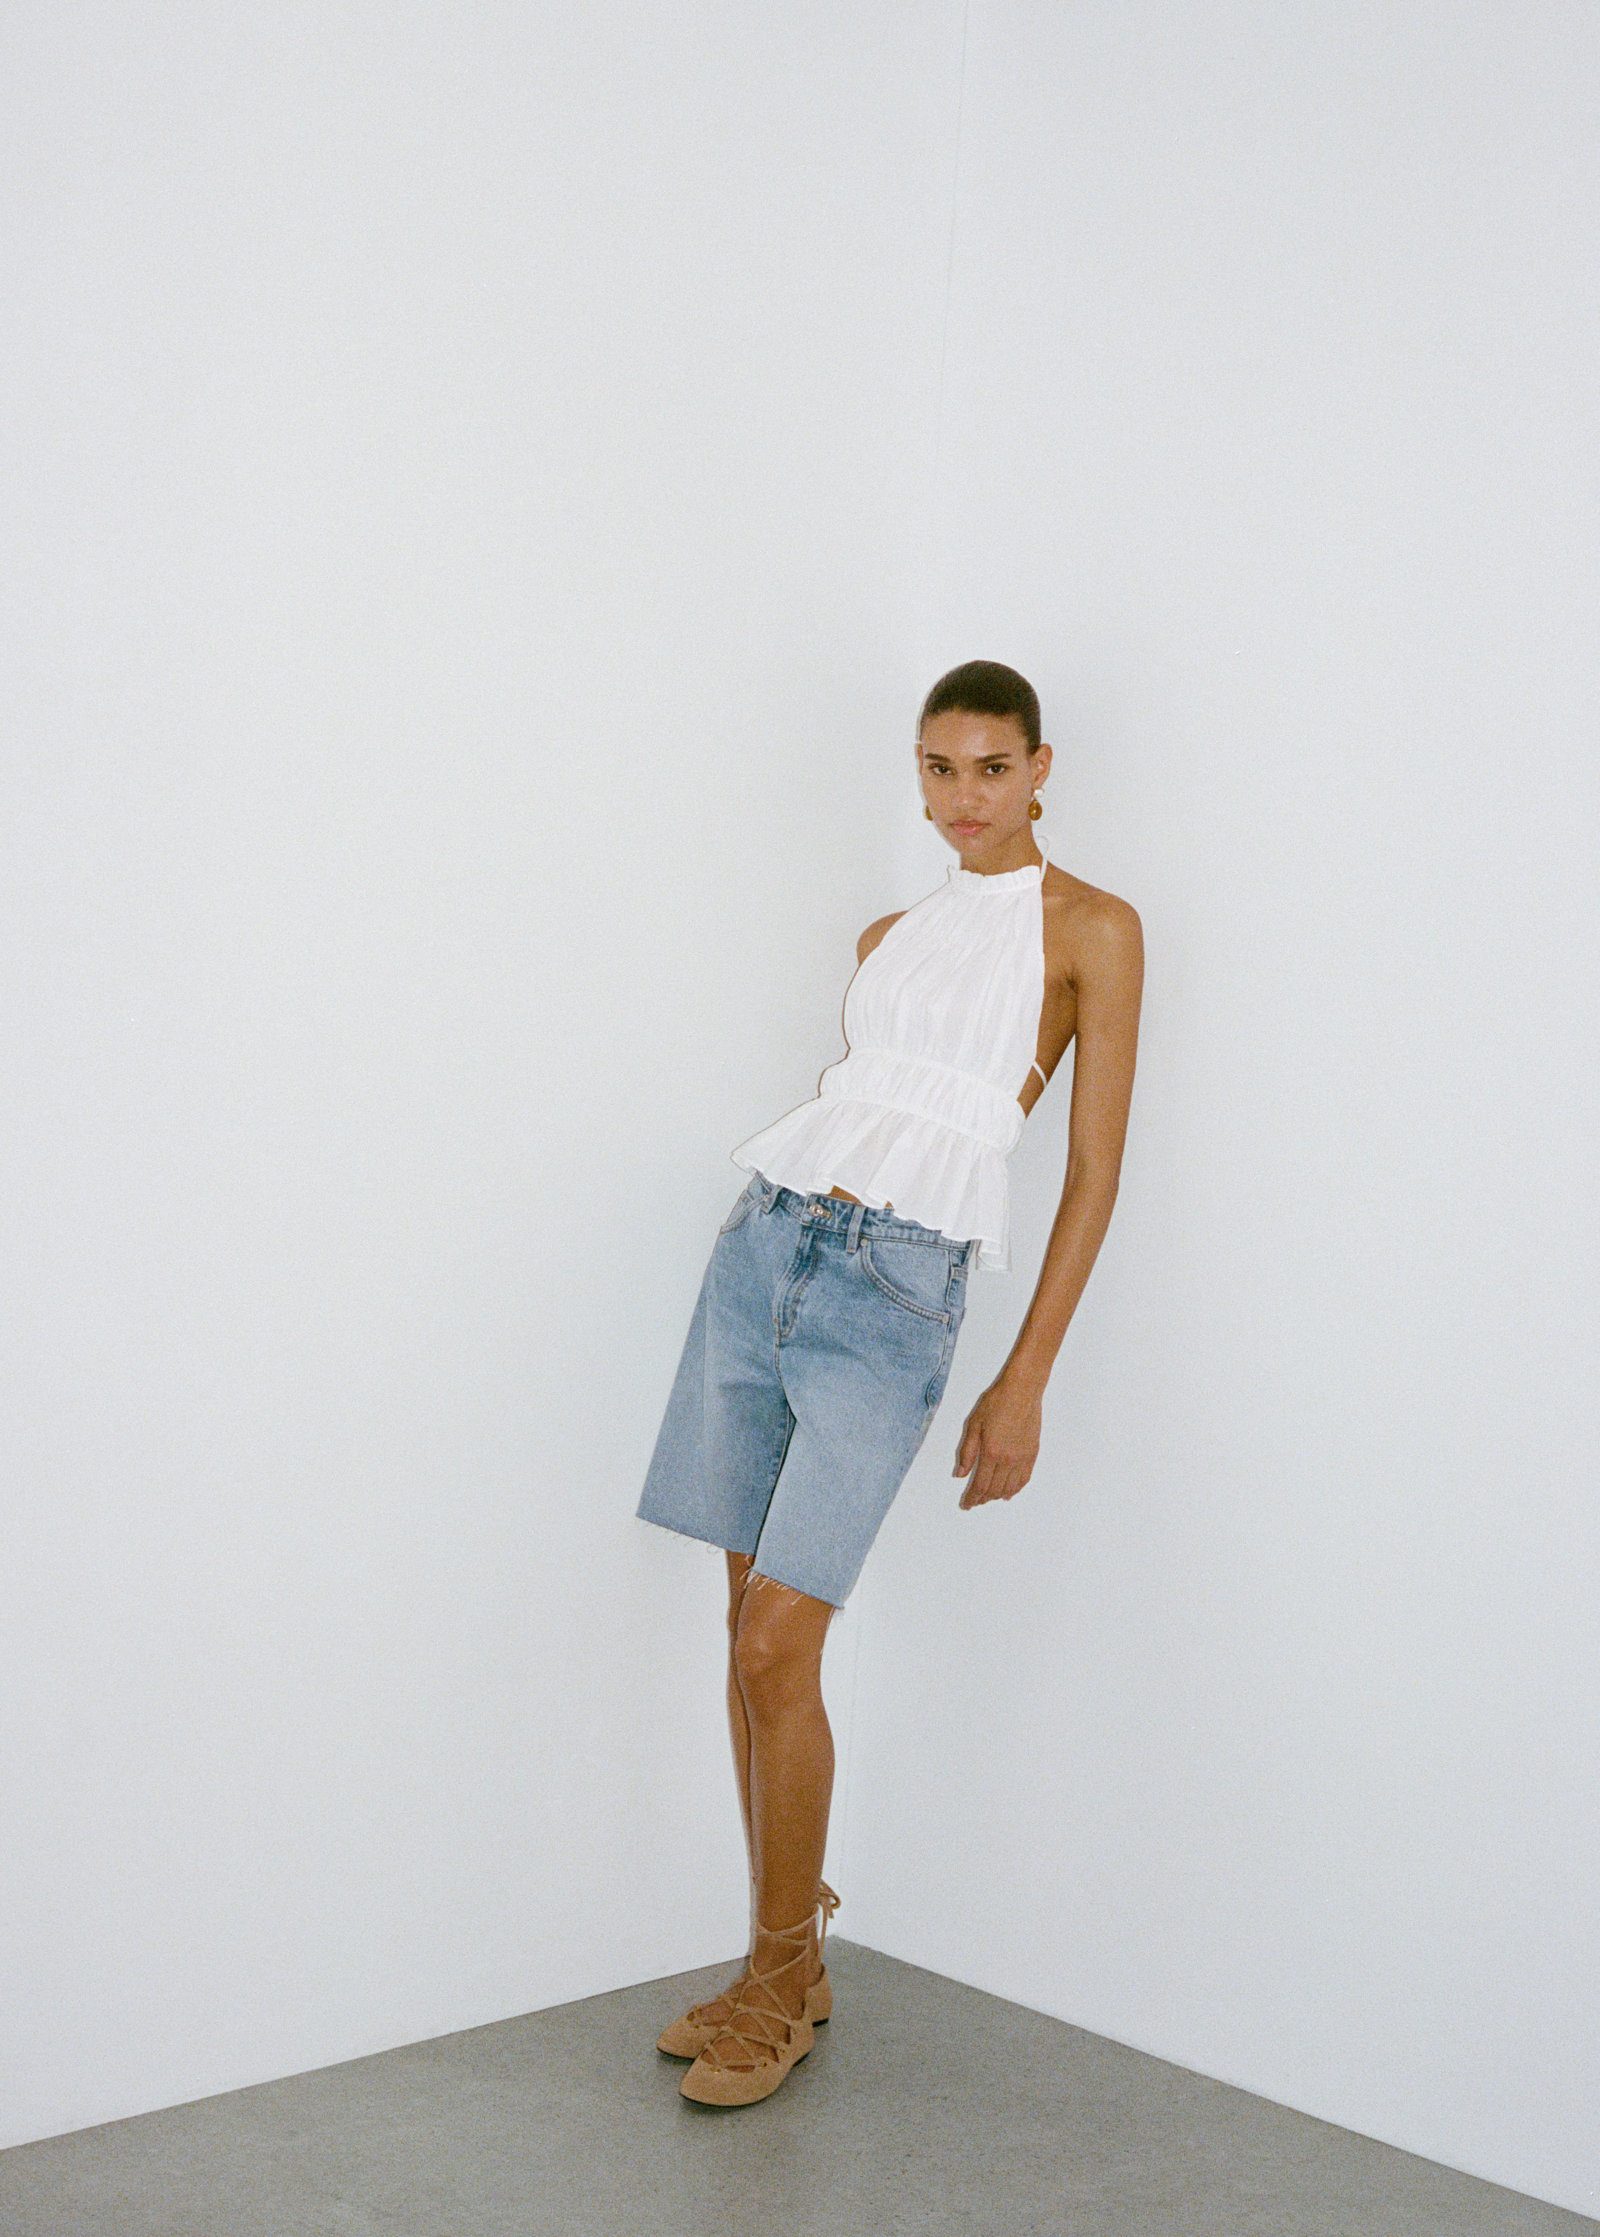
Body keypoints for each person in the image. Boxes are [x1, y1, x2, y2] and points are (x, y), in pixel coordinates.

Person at [635, 659, 1144, 2106]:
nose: (962, 797)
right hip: (766, 1250)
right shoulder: (889, 933)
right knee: (749, 1632)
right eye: (938, 768)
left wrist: (1024, 1374)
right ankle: (783, 1963)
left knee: (776, 1641)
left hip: (897, 1293)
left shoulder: (1093, 928)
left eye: (991, 768)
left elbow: (1093, 1171)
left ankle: (781, 1977)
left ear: (1040, 767)